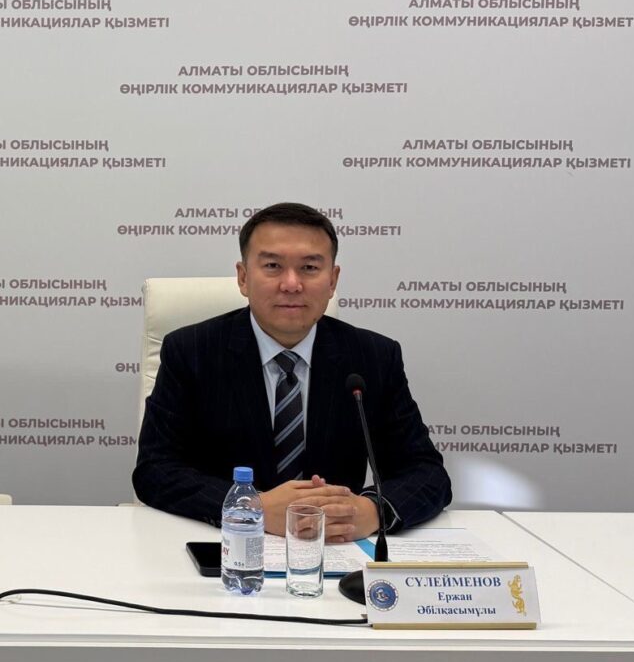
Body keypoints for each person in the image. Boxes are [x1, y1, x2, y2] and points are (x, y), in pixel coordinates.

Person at [133, 202, 451, 541]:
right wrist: (248, 506)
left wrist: (372, 511)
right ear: (243, 277)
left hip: (333, 547)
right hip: (227, 545)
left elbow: (427, 473)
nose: (291, 284)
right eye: (272, 266)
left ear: (332, 280)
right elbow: (155, 470)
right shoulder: (191, 351)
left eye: (309, 268)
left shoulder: (373, 357)